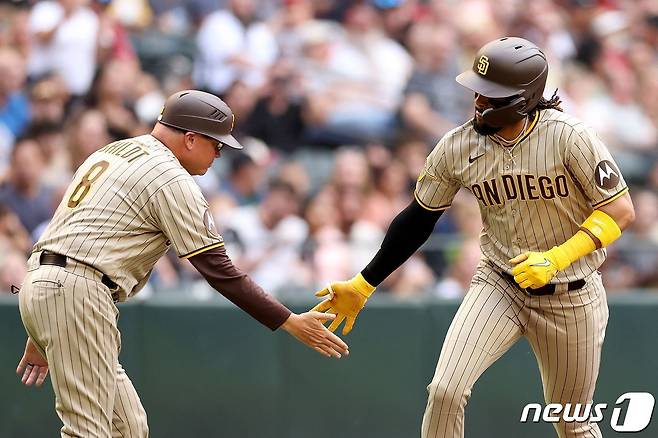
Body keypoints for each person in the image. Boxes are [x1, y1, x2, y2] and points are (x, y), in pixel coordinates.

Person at [312, 37, 635, 438]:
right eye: (478, 91)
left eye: (491, 95)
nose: (479, 101)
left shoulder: (570, 137)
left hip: (572, 293)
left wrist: (556, 258)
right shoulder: (457, 145)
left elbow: (620, 210)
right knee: (445, 391)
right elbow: (417, 219)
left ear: (522, 99)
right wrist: (365, 282)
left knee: (571, 422)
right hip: (499, 284)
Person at [15, 90, 348, 438]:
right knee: (88, 432)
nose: (220, 153)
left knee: (128, 428)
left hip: (51, 283)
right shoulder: (169, 176)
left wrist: (45, 328)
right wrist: (290, 320)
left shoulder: (114, 152)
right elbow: (218, 270)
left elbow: (69, 236)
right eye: (216, 144)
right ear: (190, 138)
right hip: (76, 291)